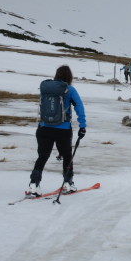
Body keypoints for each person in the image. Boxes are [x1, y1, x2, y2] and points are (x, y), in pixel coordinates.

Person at [27, 65, 86, 196]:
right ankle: (67, 183)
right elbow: (79, 107)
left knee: (42, 156)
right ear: (69, 76)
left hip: (43, 128)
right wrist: (82, 125)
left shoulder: (46, 88)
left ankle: (33, 185)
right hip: (63, 130)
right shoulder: (69, 89)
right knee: (66, 155)